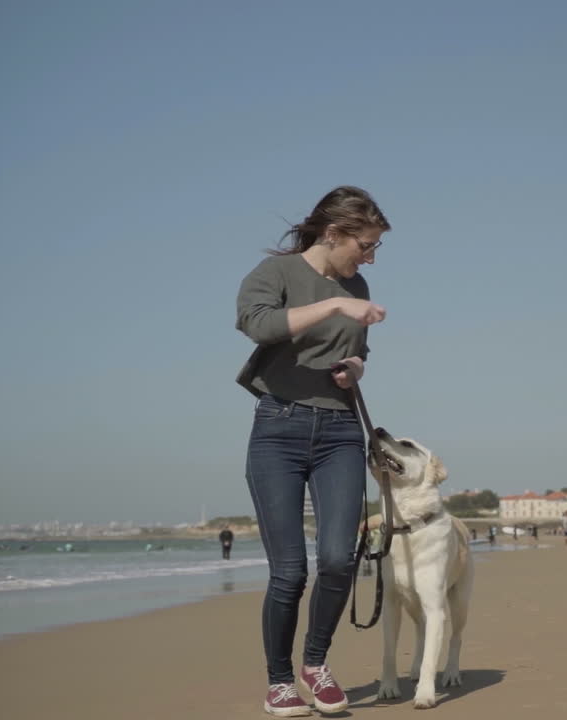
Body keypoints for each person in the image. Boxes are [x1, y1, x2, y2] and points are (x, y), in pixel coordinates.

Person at [236, 185, 391, 717]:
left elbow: (359, 350)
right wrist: (334, 302)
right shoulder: (277, 274)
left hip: (340, 431)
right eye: (365, 246)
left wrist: (356, 368)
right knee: (289, 571)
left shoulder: (357, 284)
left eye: (375, 248)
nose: (369, 258)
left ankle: (316, 664)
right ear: (333, 234)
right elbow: (257, 325)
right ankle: (279, 682)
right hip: (278, 428)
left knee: (338, 558)